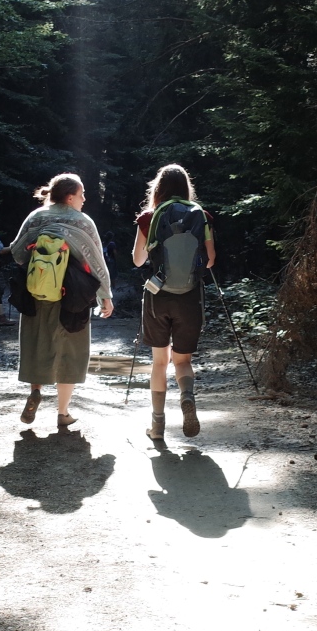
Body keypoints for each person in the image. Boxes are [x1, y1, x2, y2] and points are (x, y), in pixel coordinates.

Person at [8, 173, 114, 428]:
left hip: (36, 292)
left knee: (37, 344)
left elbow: (17, 253)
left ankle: (36, 391)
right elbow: (96, 262)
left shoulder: (36, 217)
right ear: (69, 197)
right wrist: (106, 296)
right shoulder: (83, 222)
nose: (84, 199)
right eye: (82, 194)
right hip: (73, 295)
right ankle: (63, 413)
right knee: (70, 352)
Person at [132, 163, 215, 440]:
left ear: (158, 189)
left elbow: (138, 260)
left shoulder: (149, 217)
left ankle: (157, 426)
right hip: (190, 296)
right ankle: (187, 396)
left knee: (159, 362)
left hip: (158, 296)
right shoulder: (201, 216)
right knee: (182, 360)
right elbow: (210, 261)